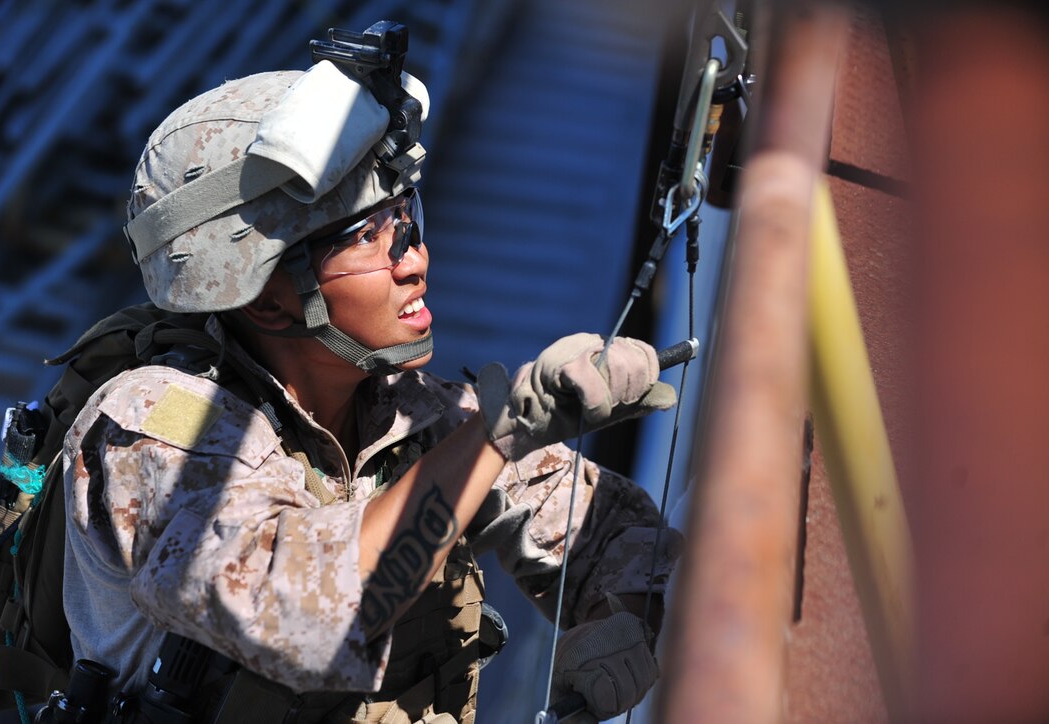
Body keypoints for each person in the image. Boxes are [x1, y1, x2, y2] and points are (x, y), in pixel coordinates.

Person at [61, 42, 681, 724]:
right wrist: (496, 438)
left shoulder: (410, 413)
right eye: (365, 236)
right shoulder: (153, 432)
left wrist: (620, 620)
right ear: (268, 300)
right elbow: (312, 618)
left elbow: (618, 540)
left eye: (406, 216)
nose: (412, 258)